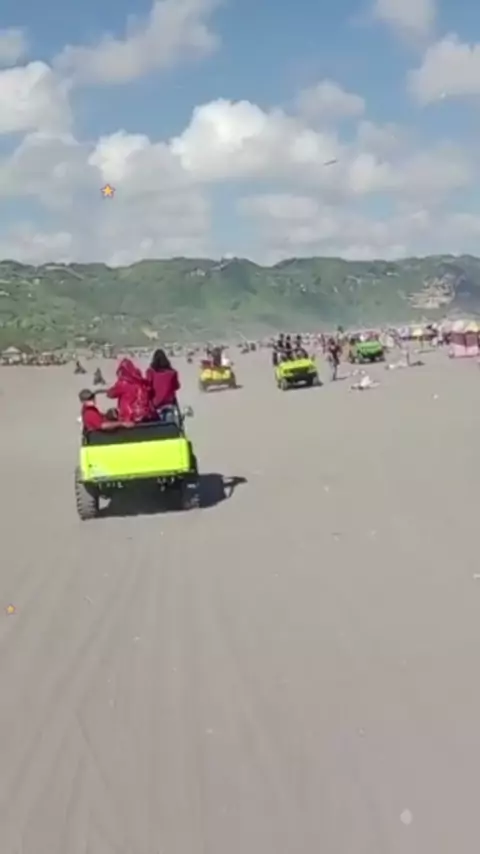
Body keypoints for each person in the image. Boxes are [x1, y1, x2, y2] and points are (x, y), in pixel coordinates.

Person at [102, 358, 155, 423]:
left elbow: (110, 394)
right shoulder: (141, 382)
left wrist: (109, 389)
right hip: (144, 414)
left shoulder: (123, 383)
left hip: (129, 416)